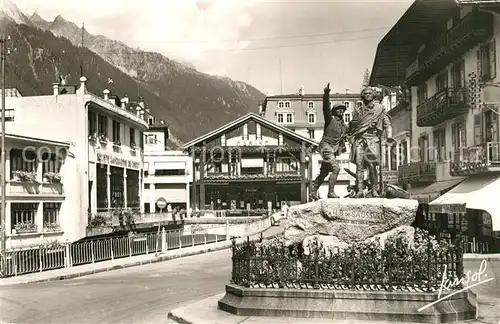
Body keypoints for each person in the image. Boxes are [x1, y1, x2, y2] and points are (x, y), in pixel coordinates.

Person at [348, 87, 393, 198]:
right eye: (365, 94)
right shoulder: (359, 109)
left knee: (372, 166)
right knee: (359, 166)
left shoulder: (379, 108)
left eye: (369, 93)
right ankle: (359, 190)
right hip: (360, 139)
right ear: (363, 96)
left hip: (372, 139)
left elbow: (387, 123)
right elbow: (353, 125)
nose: (367, 95)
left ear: (373, 95)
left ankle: (374, 190)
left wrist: (389, 136)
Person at [310, 83, 348, 200]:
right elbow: (325, 107)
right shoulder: (329, 119)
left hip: (334, 149)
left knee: (324, 172)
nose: (341, 111)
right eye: (338, 109)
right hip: (326, 147)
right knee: (336, 168)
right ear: (334, 111)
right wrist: (326, 94)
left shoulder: (344, 126)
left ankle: (313, 191)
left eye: (342, 109)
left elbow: (351, 132)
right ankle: (331, 192)